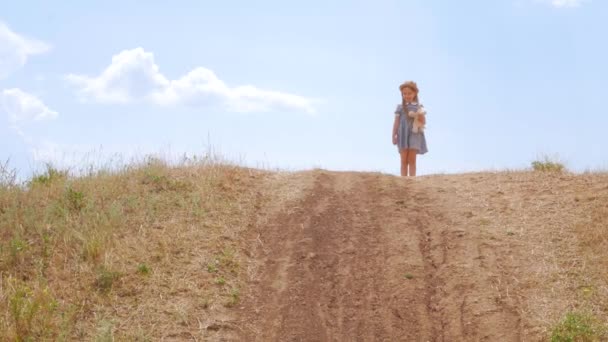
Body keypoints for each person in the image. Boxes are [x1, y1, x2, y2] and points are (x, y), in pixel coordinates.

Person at [392, 81, 428, 177]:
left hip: (415, 133)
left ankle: (412, 180)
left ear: (414, 93)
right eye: (404, 94)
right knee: (404, 160)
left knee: (412, 159)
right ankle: (403, 180)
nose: (407, 95)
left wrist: (420, 115)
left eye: (409, 93)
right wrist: (394, 135)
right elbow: (396, 122)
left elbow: (423, 122)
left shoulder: (419, 107)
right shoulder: (399, 107)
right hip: (402, 133)